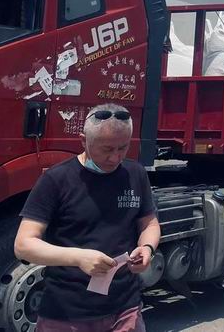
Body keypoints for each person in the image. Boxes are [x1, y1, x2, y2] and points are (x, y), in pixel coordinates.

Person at [15, 103, 160, 332]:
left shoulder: (135, 173)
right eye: (106, 149)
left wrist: (147, 248)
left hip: (125, 309)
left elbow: (148, 222)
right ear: (83, 141)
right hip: (66, 314)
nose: (115, 157)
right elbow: (23, 245)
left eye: (123, 148)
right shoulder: (56, 180)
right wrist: (78, 258)